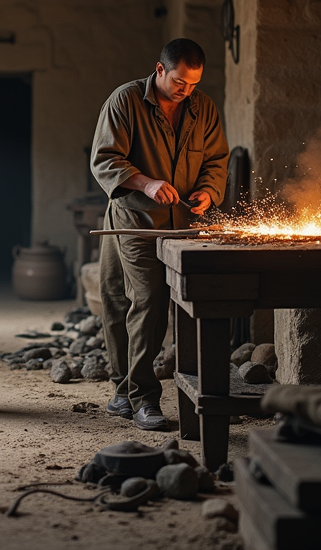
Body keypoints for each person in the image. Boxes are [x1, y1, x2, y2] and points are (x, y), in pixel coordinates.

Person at [90, 38, 228, 430]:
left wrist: (208, 190)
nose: (187, 91)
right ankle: (144, 398)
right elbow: (104, 158)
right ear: (160, 70)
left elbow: (217, 159)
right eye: (180, 83)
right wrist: (146, 183)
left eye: (194, 84)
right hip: (135, 217)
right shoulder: (125, 101)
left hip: (182, 222)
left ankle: (122, 391)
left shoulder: (203, 108)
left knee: (127, 301)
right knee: (145, 301)